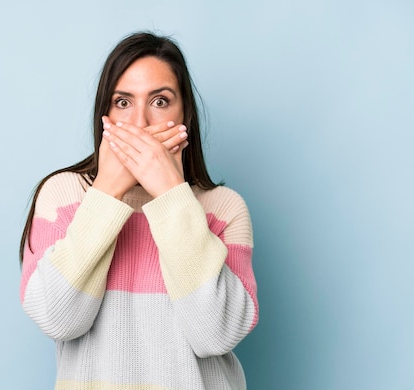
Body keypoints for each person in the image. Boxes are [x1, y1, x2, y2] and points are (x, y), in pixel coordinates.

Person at [19, 32, 258, 390]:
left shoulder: (224, 208)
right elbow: (58, 320)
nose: (140, 123)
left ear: (184, 116)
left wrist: (171, 194)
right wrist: (106, 191)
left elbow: (215, 334)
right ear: (105, 114)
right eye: (123, 102)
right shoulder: (63, 195)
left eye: (160, 101)